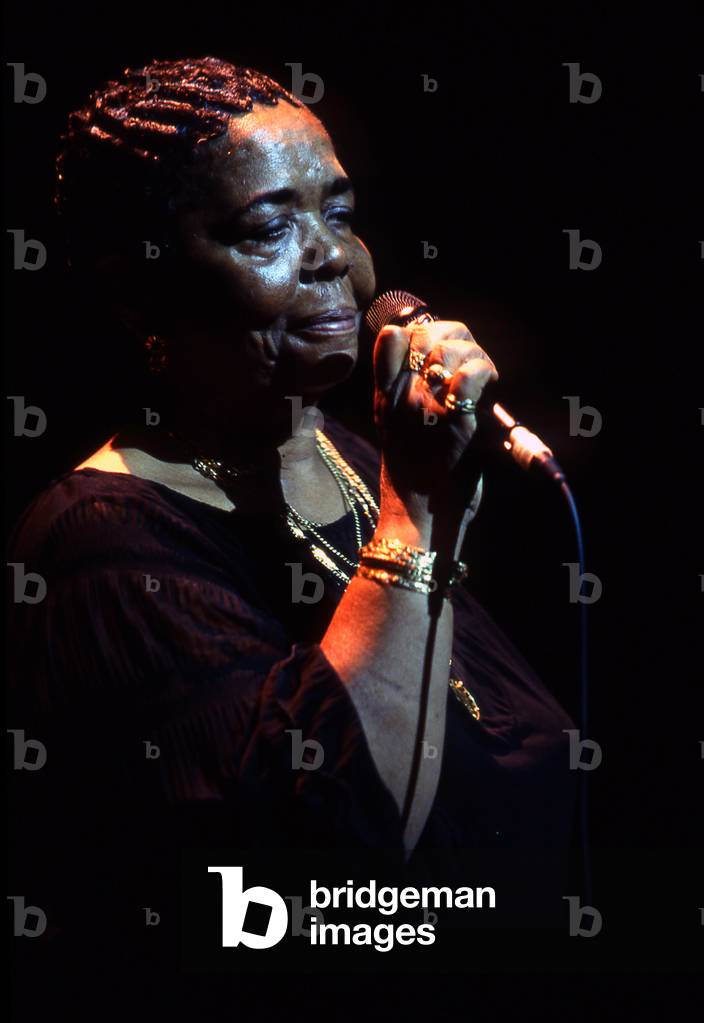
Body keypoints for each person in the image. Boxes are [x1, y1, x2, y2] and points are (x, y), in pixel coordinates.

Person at [7, 57, 576, 1001]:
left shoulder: (357, 457)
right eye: (270, 228)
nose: (334, 259)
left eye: (340, 214)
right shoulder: (101, 544)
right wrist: (417, 516)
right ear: (139, 286)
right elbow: (324, 879)